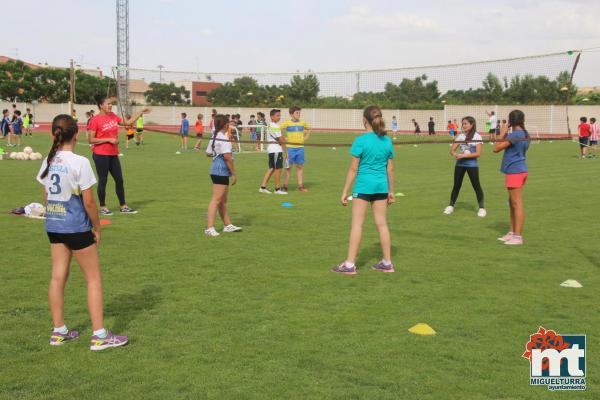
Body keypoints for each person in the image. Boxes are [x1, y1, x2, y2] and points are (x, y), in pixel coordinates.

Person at [37, 114, 128, 351]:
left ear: (53, 134)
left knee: (58, 277)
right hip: (76, 226)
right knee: (93, 278)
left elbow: (46, 196)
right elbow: (89, 202)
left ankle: (59, 331)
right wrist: (96, 227)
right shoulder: (80, 162)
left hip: (54, 225)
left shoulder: (48, 160)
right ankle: (99, 336)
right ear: (76, 134)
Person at [332, 105, 395, 275]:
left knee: (357, 225)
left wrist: (345, 191)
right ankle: (387, 263)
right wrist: (391, 191)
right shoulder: (387, 140)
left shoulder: (360, 140)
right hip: (381, 187)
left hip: (364, 187)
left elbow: (353, 169)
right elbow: (390, 169)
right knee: (382, 224)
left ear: (364, 120)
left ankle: (350, 265)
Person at [87, 94, 150, 215]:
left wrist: (141, 112)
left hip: (113, 154)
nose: (110, 105)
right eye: (108, 103)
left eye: (111, 103)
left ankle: (123, 206)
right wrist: (108, 140)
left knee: (119, 180)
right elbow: (91, 140)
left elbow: (127, 123)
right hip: (100, 155)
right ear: (101, 105)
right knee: (103, 180)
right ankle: (103, 207)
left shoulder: (113, 116)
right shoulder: (95, 120)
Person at [494, 110, 530, 246]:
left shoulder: (515, 135)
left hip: (515, 171)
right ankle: (511, 232)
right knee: (512, 204)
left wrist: (503, 132)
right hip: (520, 170)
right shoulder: (525, 134)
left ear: (510, 121)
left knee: (516, 204)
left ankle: (518, 236)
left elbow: (496, 148)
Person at [204, 114, 242, 237]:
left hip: (216, 169)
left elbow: (208, 153)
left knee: (222, 201)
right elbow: (227, 158)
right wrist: (234, 174)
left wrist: (217, 153)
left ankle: (227, 225)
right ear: (226, 125)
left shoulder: (215, 136)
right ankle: (209, 228)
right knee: (216, 200)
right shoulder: (224, 137)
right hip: (221, 170)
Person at [443, 116, 486, 217]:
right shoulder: (461, 136)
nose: (463, 125)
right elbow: (452, 150)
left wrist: (464, 155)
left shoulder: (477, 136)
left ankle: (482, 208)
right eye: (463, 123)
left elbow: (478, 153)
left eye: (466, 123)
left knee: (476, 186)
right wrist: (456, 155)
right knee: (456, 186)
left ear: (472, 125)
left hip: (472, 165)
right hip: (460, 164)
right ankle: (451, 206)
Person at [281, 106, 310, 192]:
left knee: (300, 167)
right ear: (291, 114)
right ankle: (285, 187)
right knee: (288, 168)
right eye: (297, 113)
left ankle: (301, 186)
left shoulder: (303, 123)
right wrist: (283, 138)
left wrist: (306, 138)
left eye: (299, 113)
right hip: (290, 149)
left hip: (300, 148)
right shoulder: (287, 123)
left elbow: (309, 129)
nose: (299, 114)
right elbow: (277, 130)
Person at [259, 109, 287, 194]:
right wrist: (286, 150)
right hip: (276, 150)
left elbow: (280, 138)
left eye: (279, 115)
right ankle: (277, 189)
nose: (279, 117)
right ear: (272, 116)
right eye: (277, 115)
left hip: (272, 149)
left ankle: (263, 187)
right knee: (278, 169)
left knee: (271, 168)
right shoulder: (275, 126)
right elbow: (280, 139)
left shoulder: (271, 125)